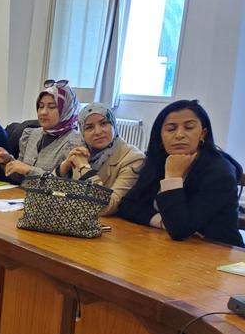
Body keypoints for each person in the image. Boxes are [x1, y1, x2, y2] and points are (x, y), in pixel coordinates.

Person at [118, 100, 243, 246]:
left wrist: (172, 177)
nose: (179, 135)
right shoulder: (159, 160)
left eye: (189, 127)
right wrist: (162, 221)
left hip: (217, 254)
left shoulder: (219, 173)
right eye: (171, 129)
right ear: (160, 136)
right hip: (170, 247)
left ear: (203, 134)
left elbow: (179, 229)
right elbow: (127, 206)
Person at [54, 103, 145, 216]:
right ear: (82, 132)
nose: (98, 132)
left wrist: (84, 168)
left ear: (113, 125)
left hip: (112, 227)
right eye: (89, 127)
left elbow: (106, 207)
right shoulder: (82, 151)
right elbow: (47, 192)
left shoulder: (133, 158)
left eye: (103, 123)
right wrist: (65, 166)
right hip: (73, 220)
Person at [0, 80, 82, 186]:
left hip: (50, 202)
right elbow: (21, 178)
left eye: (52, 107)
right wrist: (8, 160)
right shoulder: (31, 134)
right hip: (20, 198)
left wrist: (29, 170)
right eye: (41, 106)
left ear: (66, 109)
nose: (43, 112)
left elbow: (64, 185)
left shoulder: (75, 142)